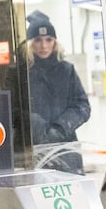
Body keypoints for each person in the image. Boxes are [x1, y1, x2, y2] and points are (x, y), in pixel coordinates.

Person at [26, 11, 90, 146]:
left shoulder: (67, 70)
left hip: (65, 145)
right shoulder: (19, 73)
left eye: (48, 39)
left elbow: (82, 106)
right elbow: (12, 110)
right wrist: (36, 125)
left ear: (55, 42)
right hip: (31, 145)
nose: (44, 46)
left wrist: (60, 128)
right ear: (30, 44)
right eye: (38, 40)